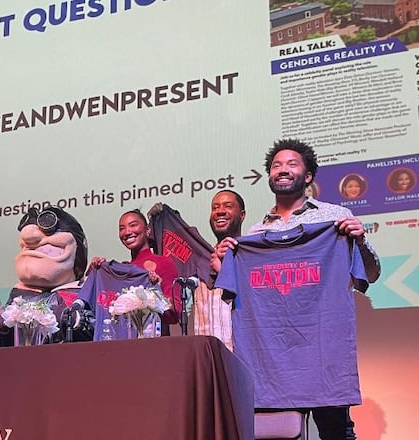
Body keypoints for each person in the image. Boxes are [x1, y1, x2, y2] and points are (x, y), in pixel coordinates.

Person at [216, 139, 381, 440]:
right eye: (276, 165)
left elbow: (369, 275)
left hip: (321, 351)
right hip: (270, 357)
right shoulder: (255, 234)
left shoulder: (335, 218)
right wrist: (228, 259)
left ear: (307, 176)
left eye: (291, 164)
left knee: (336, 432)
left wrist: (359, 241)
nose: (282, 170)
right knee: (274, 435)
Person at [0, 206, 93, 344]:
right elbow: (5, 339)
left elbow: (90, 330)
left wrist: (77, 321)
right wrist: (2, 326)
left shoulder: (81, 290)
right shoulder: (19, 294)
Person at [86, 209, 181, 328]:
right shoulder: (120, 270)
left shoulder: (163, 263)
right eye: (122, 228)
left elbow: (175, 313)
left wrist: (154, 295)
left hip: (153, 340)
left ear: (147, 230)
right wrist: (94, 271)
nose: (127, 232)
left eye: (133, 225)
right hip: (121, 341)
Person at [191, 189, 247, 351]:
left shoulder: (251, 258)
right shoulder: (202, 262)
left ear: (242, 215)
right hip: (206, 356)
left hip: (240, 355)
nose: (220, 211)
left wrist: (224, 271)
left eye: (228, 206)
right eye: (215, 207)